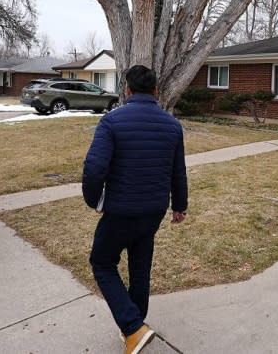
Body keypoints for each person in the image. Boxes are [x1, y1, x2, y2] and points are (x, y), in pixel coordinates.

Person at [83, 65, 188, 354]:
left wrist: (95, 201)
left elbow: (94, 169)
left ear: (127, 90)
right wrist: (180, 206)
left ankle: (132, 328)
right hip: (153, 211)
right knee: (140, 267)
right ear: (155, 91)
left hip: (120, 211)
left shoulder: (111, 122)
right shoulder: (172, 125)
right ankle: (135, 329)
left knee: (102, 264)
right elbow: (178, 172)